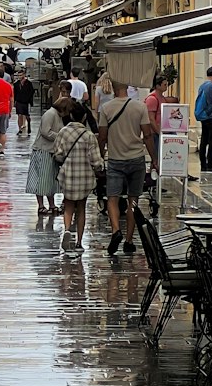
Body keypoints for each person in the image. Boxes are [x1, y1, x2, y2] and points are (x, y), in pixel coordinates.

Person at [98, 82, 154, 254]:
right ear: (128, 88)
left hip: (115, 159)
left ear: (113, 88)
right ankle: (129, 240)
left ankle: (116, 231)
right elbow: (148, 134)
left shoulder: (106, 108)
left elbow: (102, 136)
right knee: (133, 200)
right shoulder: (140, 107)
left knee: (112, 198)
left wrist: (100, 156)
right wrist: (154, 158)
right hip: (136, 158)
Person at [53, 106, 106, 251]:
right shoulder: (89, 135)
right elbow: (96, 160)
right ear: (84, 118)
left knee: (68, 205)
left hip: (68, 175)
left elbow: (57, 154)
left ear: (70, 115)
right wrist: (100, 166)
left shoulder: (63, 132)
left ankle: (67, 230)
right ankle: (79, 242)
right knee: (81, 208)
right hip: (84, 177)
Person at [26, 93, 70, 213]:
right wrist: (61, 136)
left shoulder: (57, 115)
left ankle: (51, 204)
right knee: (41, 179)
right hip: (43, 150)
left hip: (51, 151)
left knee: (49, 180)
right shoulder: (50, 114)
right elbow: (46, 132)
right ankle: (41, 205)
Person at [144, 76, 168, 166]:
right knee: (156, 158)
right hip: (154, 133)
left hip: (161, 131)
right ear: (158, 85)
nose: (166, 86)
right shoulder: (152, 99)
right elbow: (151, 119)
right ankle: (153, 176)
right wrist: (159, 132)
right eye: (164, 84)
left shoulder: (161, 97)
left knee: (159, 157)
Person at [13, 67, 35, 136]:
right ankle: (19, 129)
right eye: (19, 75)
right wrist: (14, 101)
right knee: (19, 115)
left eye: (21, 75)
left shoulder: (28, 83)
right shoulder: (16, 84)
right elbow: (15, 93)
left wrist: (29, 100)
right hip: (19, 101)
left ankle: (28, 124)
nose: (20, 77)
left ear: (24, 75)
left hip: (25, 101)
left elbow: (31, 92)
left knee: (27, 115)